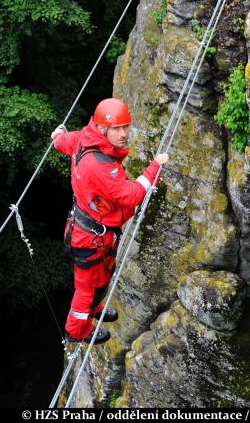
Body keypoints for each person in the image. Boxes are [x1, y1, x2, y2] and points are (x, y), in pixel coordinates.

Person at [51, 98, 169, 344]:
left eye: (126, 127)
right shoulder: (100, 166)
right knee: (86, 289)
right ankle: (77, 330)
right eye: (117, 128)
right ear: (102, 129)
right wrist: (155, 167)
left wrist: (58, 136)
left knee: (102, 275)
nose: (124, 134)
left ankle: (95, 308)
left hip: (96, 232)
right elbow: (132, 195)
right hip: (89, 237)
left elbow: (63, 143)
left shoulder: (84, 138)